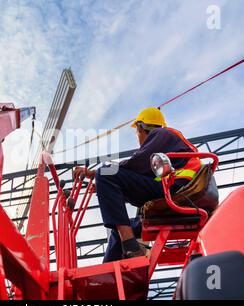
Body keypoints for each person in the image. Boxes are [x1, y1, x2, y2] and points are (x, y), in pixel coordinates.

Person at [73, 107, 201, 262]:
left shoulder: (161, 134)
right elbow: (137, 182)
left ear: (141, 127)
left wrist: (97, 174)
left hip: (177, 191)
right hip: (173, 194)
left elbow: (136, 163)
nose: (137, 136)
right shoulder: (165, 150)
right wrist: (106, 189)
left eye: (137, 131)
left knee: (106, 173)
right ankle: (107, 280)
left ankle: (130, 246)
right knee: (117, 231)